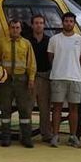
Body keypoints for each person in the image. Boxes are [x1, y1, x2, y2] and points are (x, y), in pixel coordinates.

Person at [0, 19, 36, 147]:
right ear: (9, 29)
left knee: (24, 110)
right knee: (5, 110)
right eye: (13, 27)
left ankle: (26, 138)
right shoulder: (1, 43)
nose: (15, 30)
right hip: (5, 81)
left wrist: (31, 79)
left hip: (22, 81)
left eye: (17, 27)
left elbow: (31, 63)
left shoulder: (26, 44)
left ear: (20, 29)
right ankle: (6, 138)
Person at [47, 12, 81, 148]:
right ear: (62, 23)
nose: (68, 23)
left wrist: (72, 69)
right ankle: (55, 135)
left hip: (75, 78)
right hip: (58, 77)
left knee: (74, 108)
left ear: (74, 23)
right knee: (56, 108)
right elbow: (51, 58)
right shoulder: (54, 39)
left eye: (71, 21)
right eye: (66, 21)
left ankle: (73, 136)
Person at [27, 14, 52, 144]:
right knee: (28, 107)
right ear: (32, 25)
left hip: (44, 76)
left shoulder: (49, 41)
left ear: (44, 25)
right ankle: (26, 133)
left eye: (41, 23)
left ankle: (46, 134)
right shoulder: (26, 41)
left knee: (45, 108)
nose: (38, 25)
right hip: (30, 78)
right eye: (36, 23)